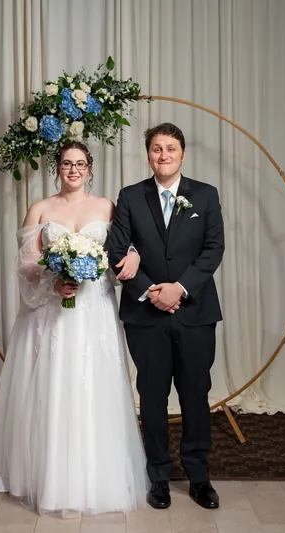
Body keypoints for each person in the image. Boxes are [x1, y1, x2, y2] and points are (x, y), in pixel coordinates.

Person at [0, 141, 150, 517]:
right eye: (65, 163)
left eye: (79, 163)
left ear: (90, 168)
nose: (73, 170)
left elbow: (129, 247)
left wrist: (135, 256)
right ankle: (47, 475)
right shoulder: (41, 209)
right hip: (51, 311)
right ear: (56, 168)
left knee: (94, 386)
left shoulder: (108, 206)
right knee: (52, 384)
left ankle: (96, 476)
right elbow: (26, 266)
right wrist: (53, 283)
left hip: (94, 311)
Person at [108, 123, 225, 510]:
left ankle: (199, 476)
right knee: (152, 398)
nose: (163, 155)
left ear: (183, 154)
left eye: (170, 148)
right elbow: (117, 250)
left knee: (195, 395)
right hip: (146, 314)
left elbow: (213, 249)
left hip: (194, 312)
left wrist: (180, 288)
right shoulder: (129, 196)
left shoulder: (205, 196)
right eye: (156, 149)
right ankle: (157, 475)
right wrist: (150, 291)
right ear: (148, 154)